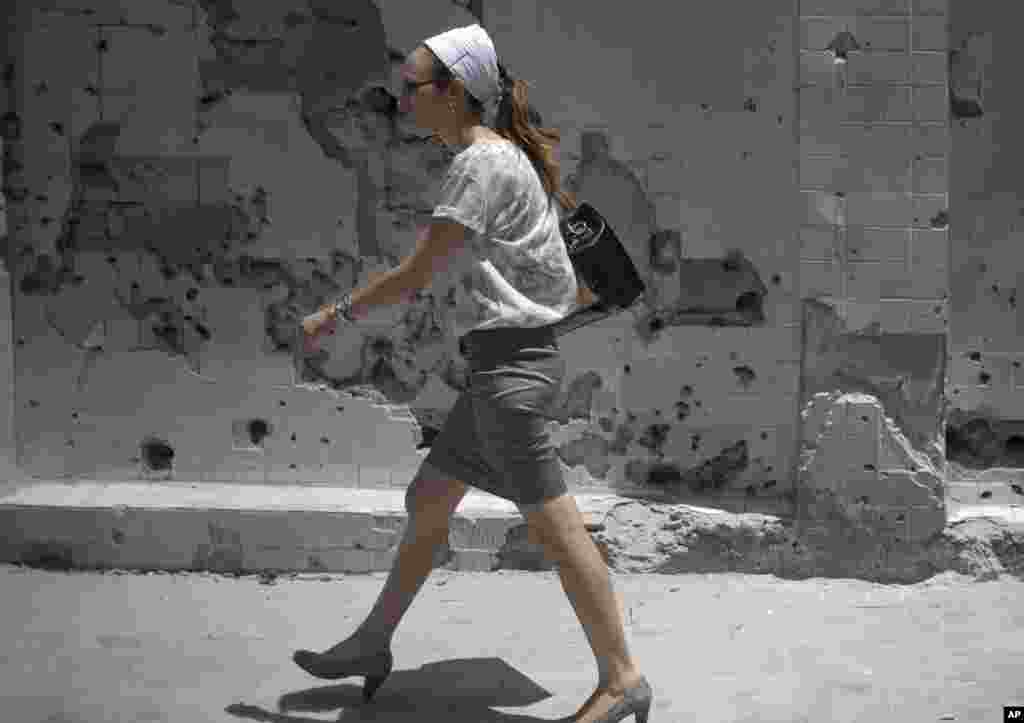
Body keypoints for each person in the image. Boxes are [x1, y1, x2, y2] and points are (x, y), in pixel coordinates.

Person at [293, 24, 652, 723]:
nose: (401, 101)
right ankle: (373, 641)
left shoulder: (481, 166)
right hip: (500, 369)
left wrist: (335, 313)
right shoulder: (498, 158)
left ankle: (622, 678)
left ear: (453, 92)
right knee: (429, 497)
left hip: (512, 377)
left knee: (559, 531)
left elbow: (418, 273)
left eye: (412, 87)